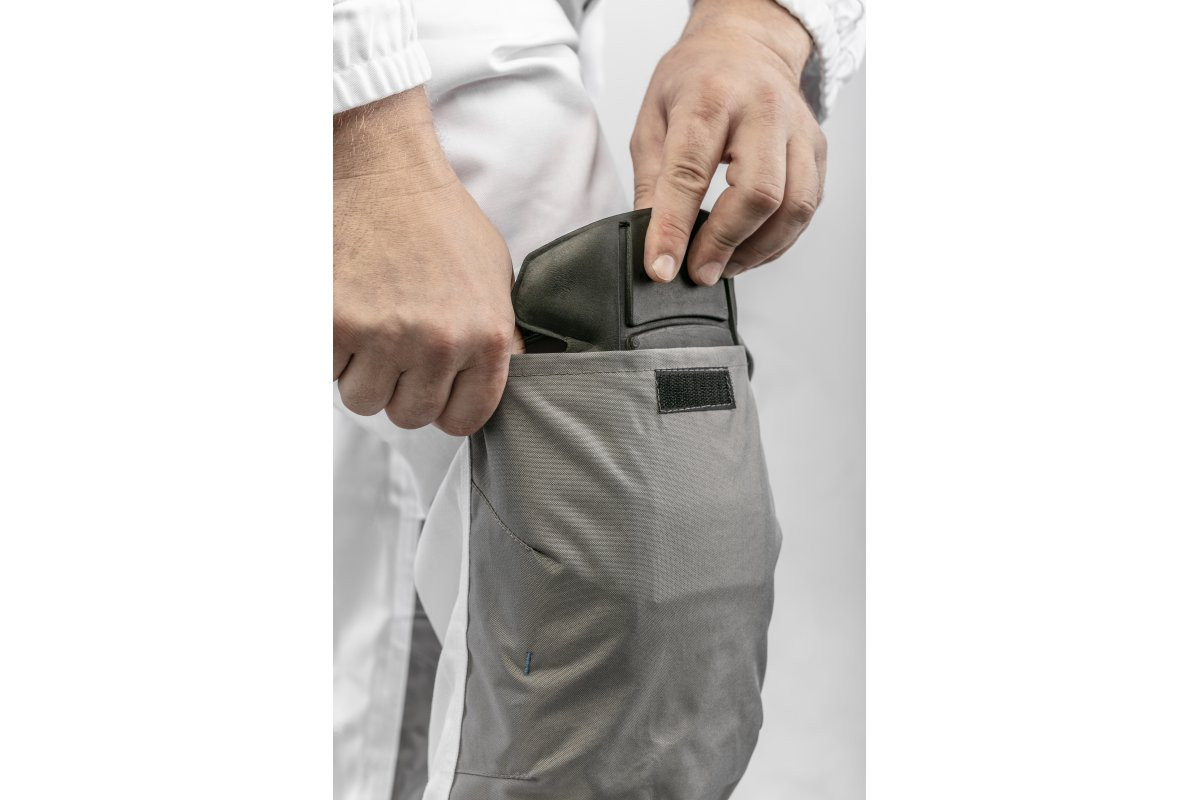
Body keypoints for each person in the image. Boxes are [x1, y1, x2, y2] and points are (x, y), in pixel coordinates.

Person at [332, 1, 864, 797]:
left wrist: (755, 27)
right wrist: (364, 142)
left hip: (495, 88)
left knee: (604, 663)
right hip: (396, 87)